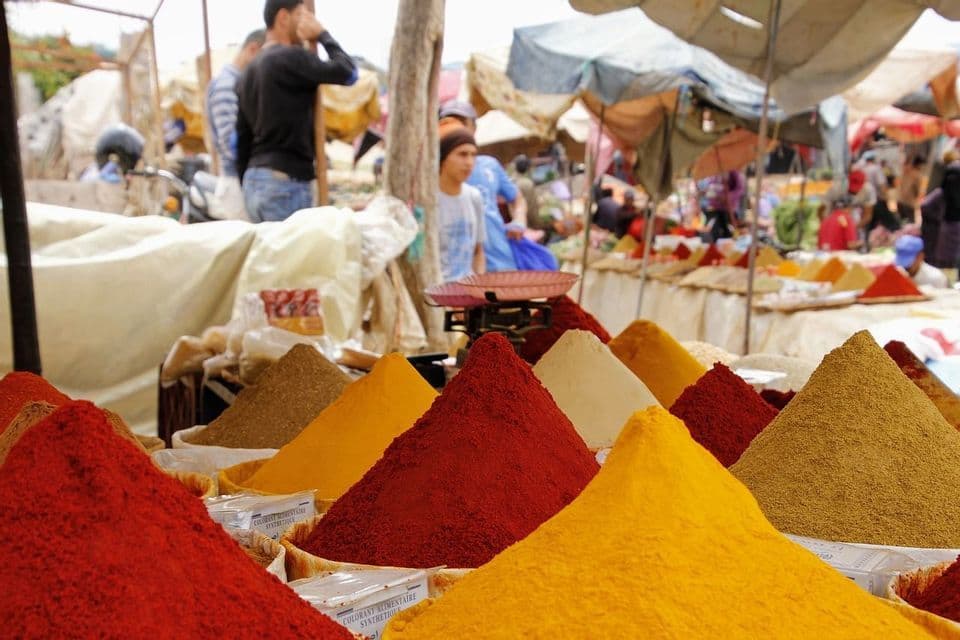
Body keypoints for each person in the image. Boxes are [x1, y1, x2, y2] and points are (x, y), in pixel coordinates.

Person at [236, 0, 357, 222]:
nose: (307, 23)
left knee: (267, 255)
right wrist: (322, 34)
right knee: (293, 257)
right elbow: (348, 72)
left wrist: (249, 179)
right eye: (302, 15)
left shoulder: (247, 72)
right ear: (283, 17)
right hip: (284, 182)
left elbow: (241, 140)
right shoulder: (291, 58)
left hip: (254, 181)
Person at [438, 100, 526, 272]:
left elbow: (517, 199)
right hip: (457, 275)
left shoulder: (489, 167)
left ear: (474, 127)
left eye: (462, 122)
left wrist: (519, 221)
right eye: (449, 122)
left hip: (500, 261)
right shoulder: (431, 179)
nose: (456, 127)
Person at [205, 29, 265, 220]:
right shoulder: (227, 86)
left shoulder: (235, 83)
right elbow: (231, 143)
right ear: (253, 50)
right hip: (236, 185)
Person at [436, 121, 486, 283]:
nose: (469, 162)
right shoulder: (427, 201)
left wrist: (479, 284)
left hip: (468, 294)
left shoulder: (474, 197)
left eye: (473, 155)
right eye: (462, 154)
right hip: (436, 295)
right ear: (443, 158)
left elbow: (478, 251)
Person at [514, 155, 542, 230]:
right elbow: (533, 206)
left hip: (518, 223)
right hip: (529, 223)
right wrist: (537, 225)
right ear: (527, 168)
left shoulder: (513, 183)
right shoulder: (528, 183)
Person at [898, 157, 925, 223]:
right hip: (909, 203)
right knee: (910, 223)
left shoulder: (906, 173)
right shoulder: (918, 175)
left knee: (903, 222)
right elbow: (919, 191)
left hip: (902, 201)